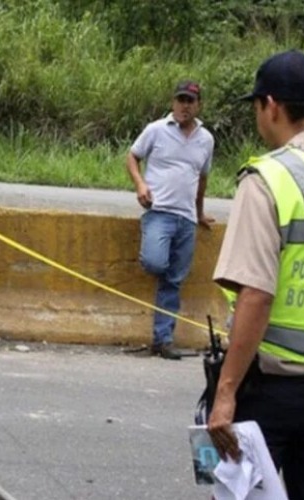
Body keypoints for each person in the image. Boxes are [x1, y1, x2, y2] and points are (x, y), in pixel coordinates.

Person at [208, 50, 304, 498]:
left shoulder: (267, 179)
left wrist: (226, 393)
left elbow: (255, 295)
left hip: (272, 391)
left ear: (272, 105)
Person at [126, 80, 215, 360]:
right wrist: (140, 185)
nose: (184, 106)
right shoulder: (156, 130)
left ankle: (163, 340)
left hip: (186, 218)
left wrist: (199, 212)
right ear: (173, 102)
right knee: (156, 262)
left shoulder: (206, 139)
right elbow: (132, 156)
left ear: (198, 105)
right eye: (180, 100)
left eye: (190, 101)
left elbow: (202, 179)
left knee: (174, 281)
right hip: (159, 212)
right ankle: (162, 336)